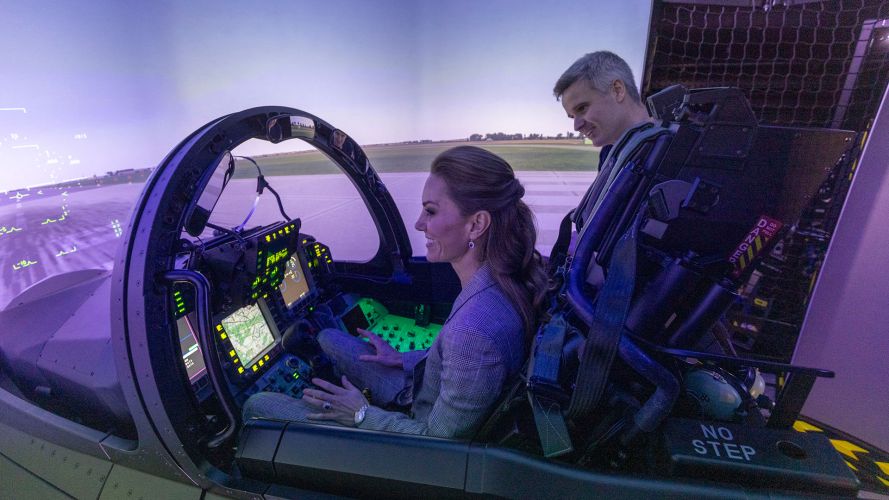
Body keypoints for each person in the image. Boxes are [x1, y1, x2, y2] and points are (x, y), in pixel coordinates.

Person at [242, 145, 548, 439]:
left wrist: (360, 413)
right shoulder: (496, 280)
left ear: (476, 224)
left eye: (430, 211)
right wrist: (404, 359)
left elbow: (438, 444)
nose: (418, 224)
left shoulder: (472, 332)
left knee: (258, 406)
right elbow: (464, 369)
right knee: (326, 338)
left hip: (419, 434)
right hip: (425, 388)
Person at [553, 51, 653, 235]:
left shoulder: (679, 147)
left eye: (582, 108)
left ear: (617, 90)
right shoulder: (610, 153)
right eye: (572, 116)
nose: (576, 125)